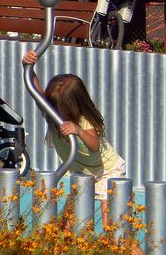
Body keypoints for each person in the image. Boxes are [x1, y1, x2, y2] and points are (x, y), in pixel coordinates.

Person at [22, 51, 126, 223]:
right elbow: (34, 90)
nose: (55, 111)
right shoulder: (52, 114)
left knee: (114, 226)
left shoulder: (84, 121)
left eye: (59, 108)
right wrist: (27, 65)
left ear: (73, 106)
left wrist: (77, 130)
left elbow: (94, 145)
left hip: (106, 170)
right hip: (82, 174)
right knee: (67, 223)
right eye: (52, 106)